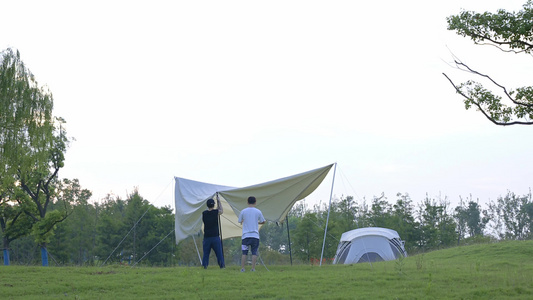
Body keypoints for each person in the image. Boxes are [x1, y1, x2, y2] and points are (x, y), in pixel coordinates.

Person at [238, 196, 265, 272]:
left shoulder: (243, 211)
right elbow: (263, 221)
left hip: (245, 236)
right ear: (255, 202)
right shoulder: (258, 211)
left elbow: (239, 220)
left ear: (247, 202)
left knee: (244, 253)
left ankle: (243, 268)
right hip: (255, 236)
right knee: (254, 252)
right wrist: (258, 222)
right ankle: (253, 268)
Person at [201, 197, 225, 269]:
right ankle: (222, 266)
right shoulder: (215, 212)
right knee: (219, 253)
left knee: (206, 254)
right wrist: (219, 201)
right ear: (213, 205)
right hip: (215, 236)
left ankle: (204, 266)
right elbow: (221, 210)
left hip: (207, 237)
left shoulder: (204, 213)